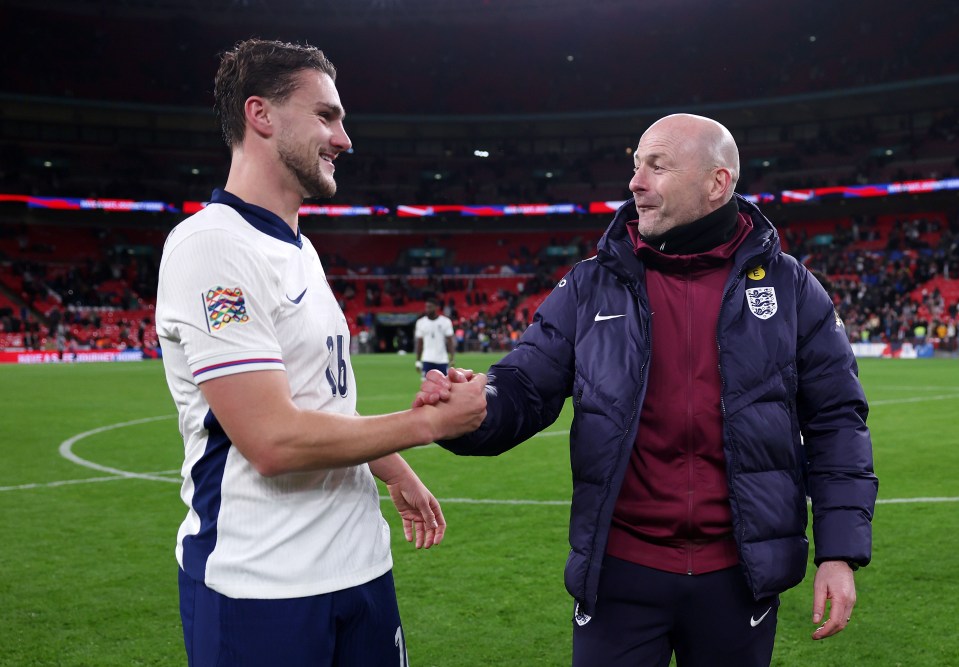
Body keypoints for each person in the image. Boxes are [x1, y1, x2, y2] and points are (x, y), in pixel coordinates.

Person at [417, 113, 878, 666]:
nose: (635, 182)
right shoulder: (591, 283)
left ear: (717, 183)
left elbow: (837, 423)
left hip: (739, 578)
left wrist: (840, 552)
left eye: (657, 166)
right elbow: (525, 386)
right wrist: (475, 409)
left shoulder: (791, 288)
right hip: (619, 573)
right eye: (636, 165)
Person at [155, 39, 487, 667]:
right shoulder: (212, 248)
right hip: (262, 586)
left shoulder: (301, 249)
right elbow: (272, 441)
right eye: (327, 116)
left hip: (359, 565)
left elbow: (320, 402)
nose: (345, 138)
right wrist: (429, 425)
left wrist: (392, 465)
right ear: (262, 115)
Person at [414, 296, 455, 377]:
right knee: (427, 386)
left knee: (444, 386)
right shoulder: (420, 322)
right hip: (427, 359)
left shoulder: (445, 321)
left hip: (442, 360)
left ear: (436, 307)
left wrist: (452, 357)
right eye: (426, 307)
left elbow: (450, 341)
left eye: (430, 307)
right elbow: (420, 343)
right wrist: (418, 361)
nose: (427, 309)